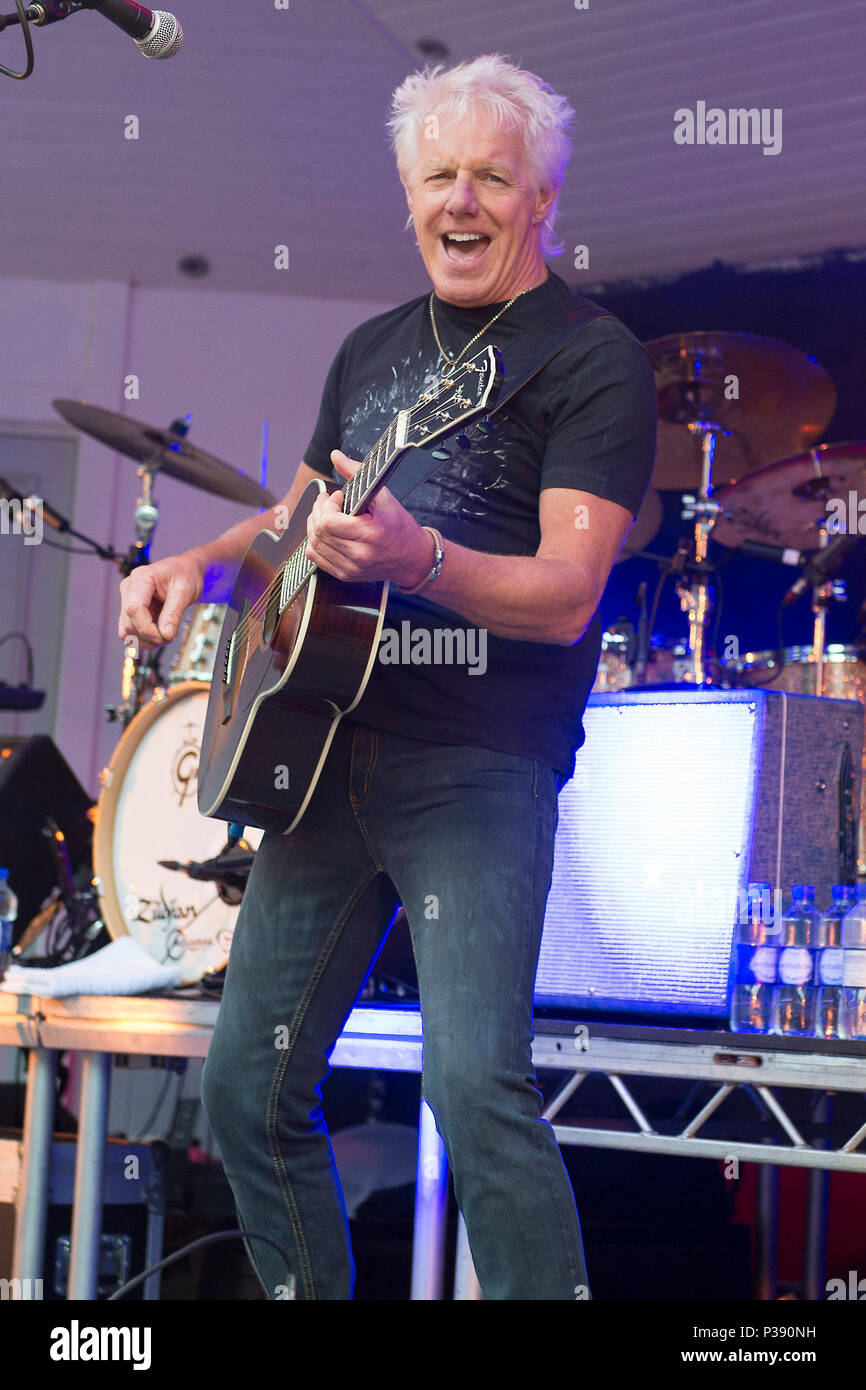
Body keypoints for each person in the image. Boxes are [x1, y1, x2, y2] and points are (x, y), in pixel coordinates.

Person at [118, 54, 657, 1300]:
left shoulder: (589, 360)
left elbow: (568, 592)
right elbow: (298, 516)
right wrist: (200, 569)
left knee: (473, 1088)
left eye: (488, 177)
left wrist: (422, 559)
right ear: (407, 194)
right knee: (248, 1088)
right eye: (435, 177)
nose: (457, 201)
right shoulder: (370, 349)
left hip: (477, 764)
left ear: (540, 203)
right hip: (325, 752)